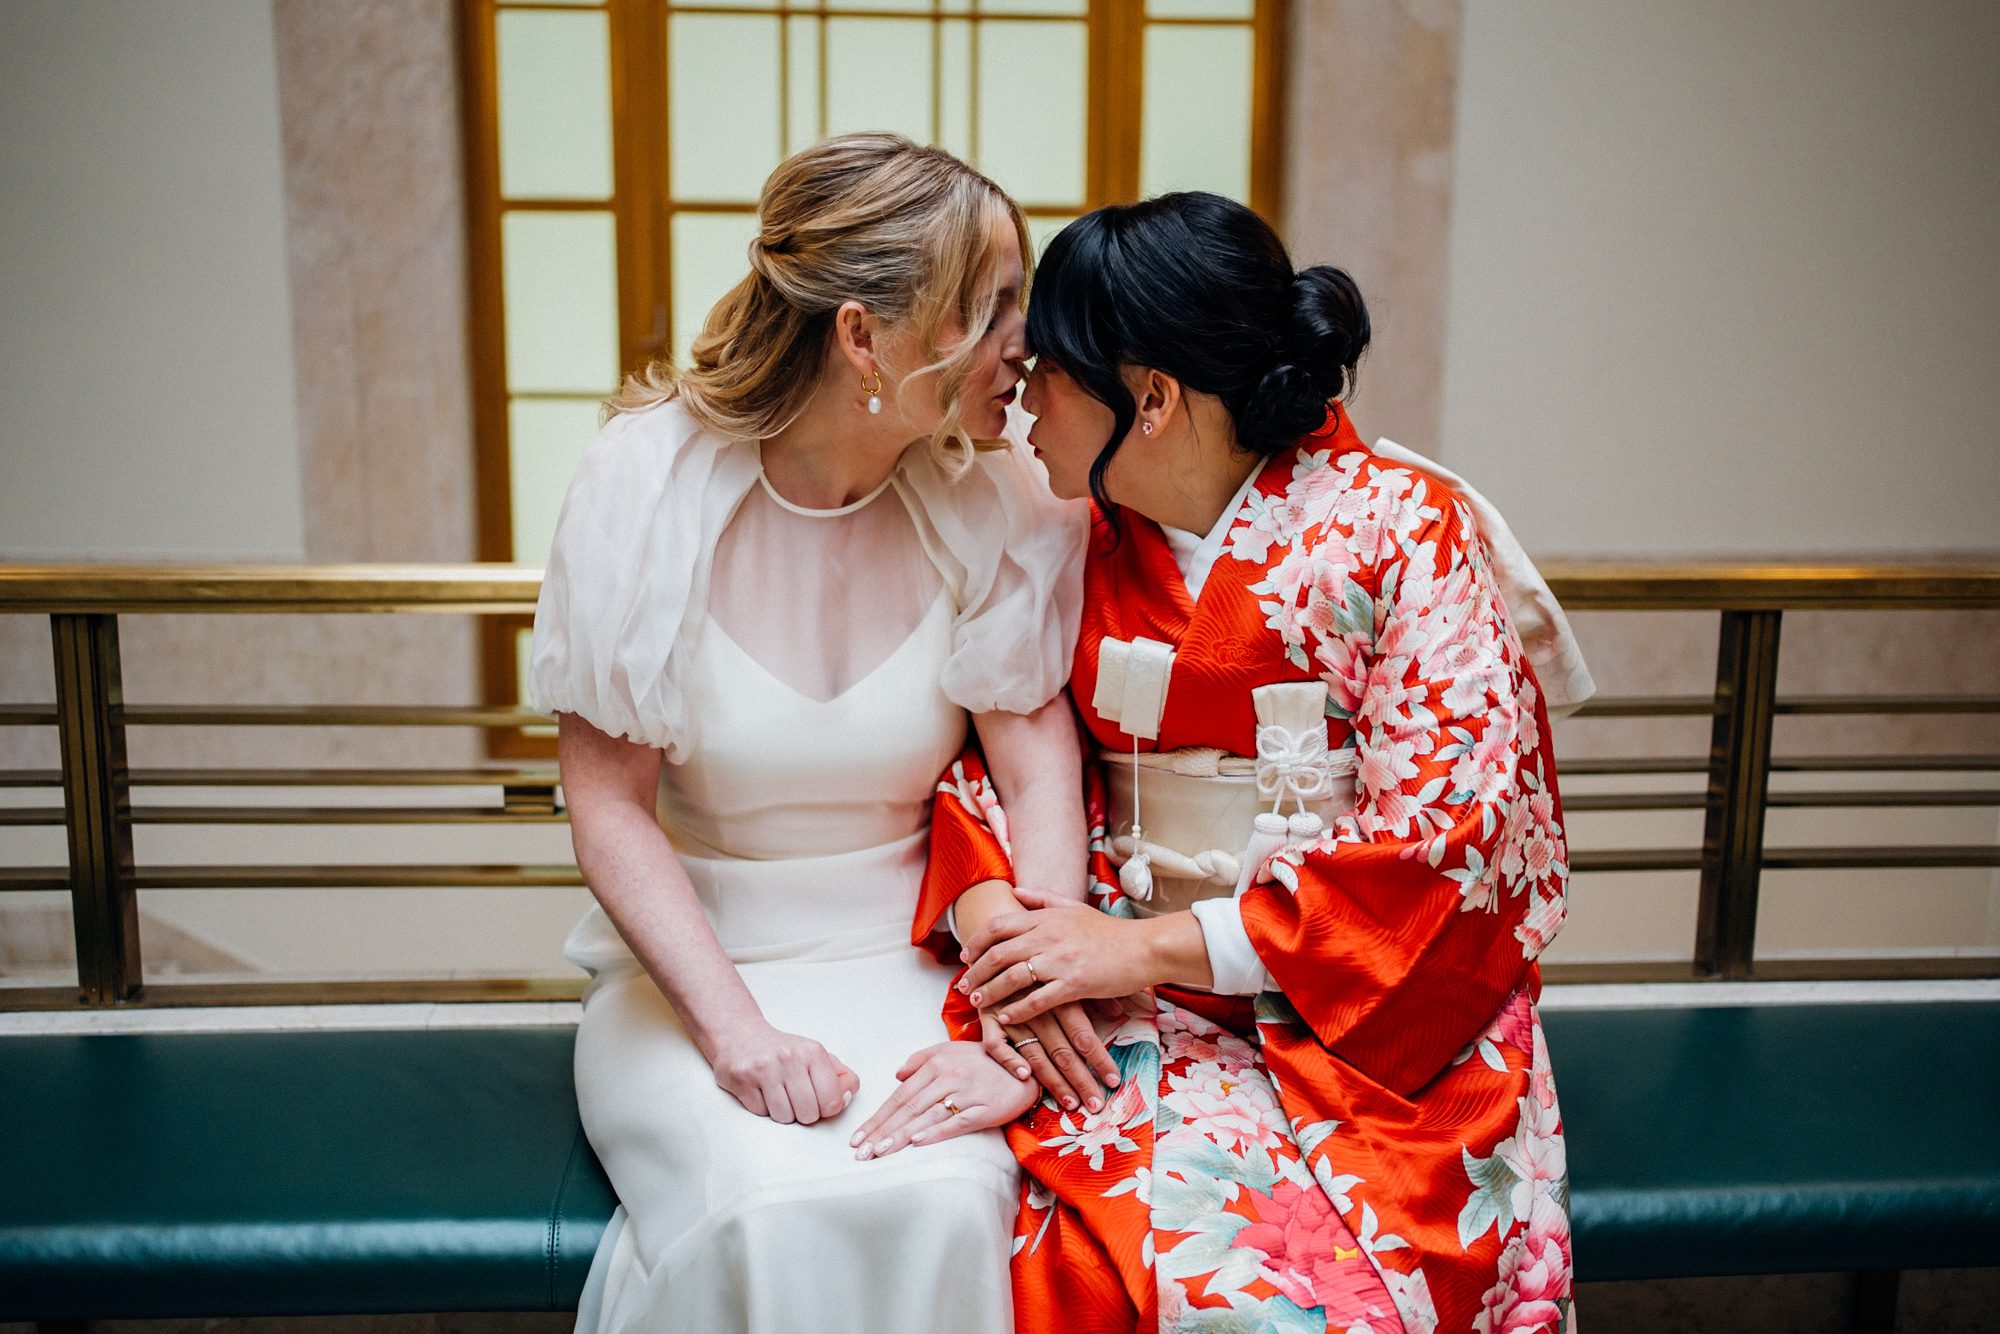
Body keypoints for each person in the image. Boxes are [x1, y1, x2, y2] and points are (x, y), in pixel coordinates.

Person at [860, 192, 1593, 1333]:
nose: (1024, 398)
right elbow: (989, 769)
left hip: (1371, 1030)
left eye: (1052, 370)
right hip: (1128, 998)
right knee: (1049, 1258)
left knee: (1294, 1305)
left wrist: (1138, 946)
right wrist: (1016, 940)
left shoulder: (1409, 530)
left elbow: (1451, 839)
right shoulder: (1069, 538)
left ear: (1149, 399)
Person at [529, 134, 1094, 1334]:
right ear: (862, 336)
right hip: (697, 977)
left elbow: (1038, 768)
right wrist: (738, 1035)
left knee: (958, 1196)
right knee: (765, 1205)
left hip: (915, 966)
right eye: (991, 307)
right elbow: (608, 804)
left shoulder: (990, 490)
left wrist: (1018, 1015)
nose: (1025, 345)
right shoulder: (646, 489)